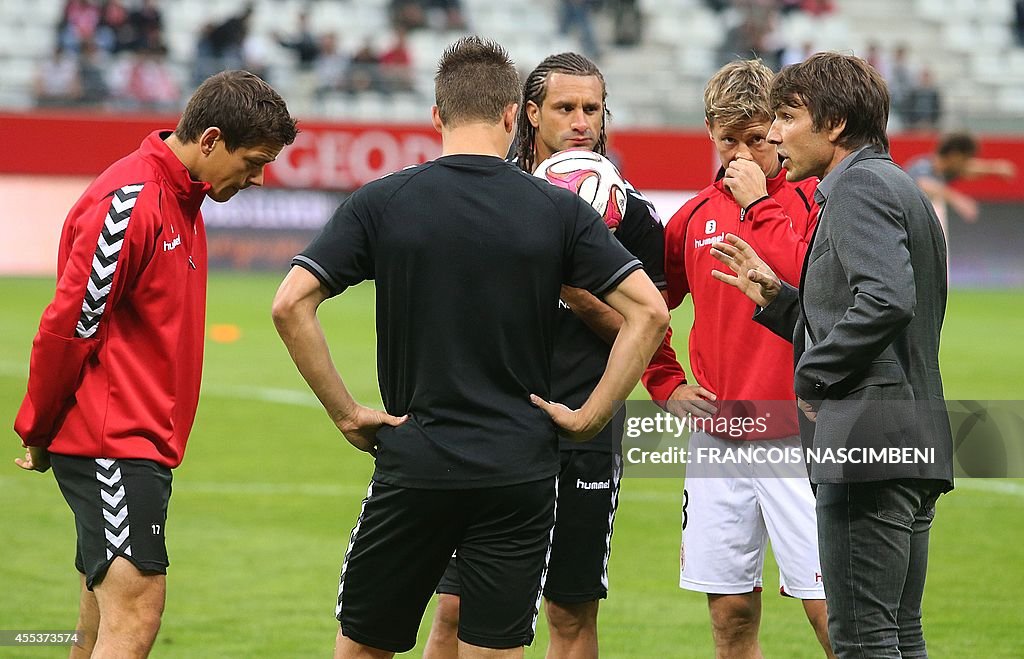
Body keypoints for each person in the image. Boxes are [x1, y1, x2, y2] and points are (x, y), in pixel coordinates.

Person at [271, 37, 668, 658]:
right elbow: (650, 311)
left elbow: (289, 303)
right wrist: (590, 418)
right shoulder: (558, 210)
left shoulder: (383, 200)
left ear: (436, 116)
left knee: (366, 645)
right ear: (516, 114)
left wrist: (347, 413)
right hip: (521, 466)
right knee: (496, 642)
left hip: (417, 461)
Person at [13, 69, 297, 657]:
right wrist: (37, 428)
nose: (259, 178)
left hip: (134, 440)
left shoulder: (183, 198)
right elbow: (69, 327)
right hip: (112, 441)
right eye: (252, 161)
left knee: (100, 615)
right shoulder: (132, 202)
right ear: (211, 140)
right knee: (137, 609)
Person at [423, 51, 668, 659]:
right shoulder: (486, 194)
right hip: (487, 421)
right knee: (455, 608)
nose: (581, 120)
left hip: (585, 427)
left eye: (593, 108)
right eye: (565, 107)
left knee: (569, 610)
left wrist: (568, 284)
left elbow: (644, 332)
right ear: (529, 113)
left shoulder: (632, 214)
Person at [709, 52, 954, 658]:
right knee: (899, 635)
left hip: (866, 441)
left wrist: (812, 377)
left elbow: (886, 301)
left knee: (862, 643)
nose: (771, 134)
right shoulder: (900, 186)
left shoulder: (857, 188)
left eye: (788, 116)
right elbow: (879, 311)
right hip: (912, 435)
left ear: (835, 124)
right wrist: (783, 301)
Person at [641, 58, 834, 659]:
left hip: (804, 435)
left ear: (778, 129)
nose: (744, 154)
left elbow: (805, 280)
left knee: (833, 611)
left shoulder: (813, 203)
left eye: (757, 138)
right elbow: (645, 310)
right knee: (729, 614)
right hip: (721, 436)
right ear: (709, 132)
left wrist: (756, 207)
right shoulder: (691, 218)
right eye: (730, 139)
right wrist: (665, 382)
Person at [904, 131, 1016, 240]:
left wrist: (995, 169)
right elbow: (924, 184)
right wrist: (958, 200)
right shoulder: (922, 166)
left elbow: (968, 169)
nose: (967, 163)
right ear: (955, 155)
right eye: (966, 159)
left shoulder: (945, 170)